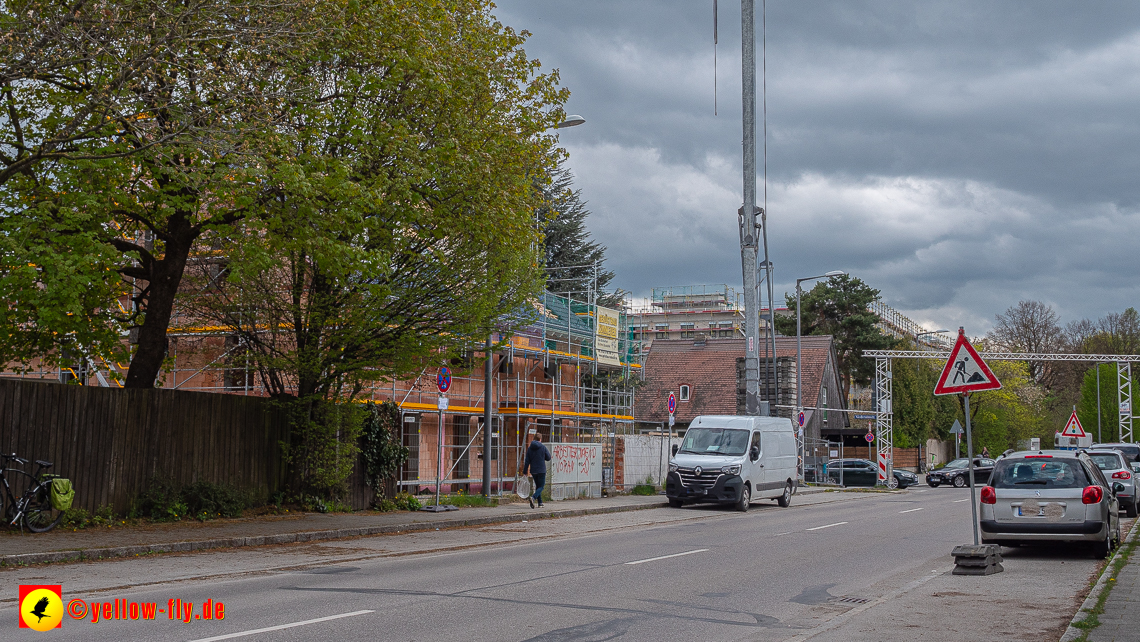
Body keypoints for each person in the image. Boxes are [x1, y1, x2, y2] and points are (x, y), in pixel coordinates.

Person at [522, 431, 551, 508]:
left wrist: (525, 471)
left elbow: (527, 461)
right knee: (541, 486)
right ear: (540, 439)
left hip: (533, 470)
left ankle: (540, 503)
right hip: (541, 470)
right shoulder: (543, 447)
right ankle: (533, 497)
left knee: (538, 486)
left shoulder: (530, 448)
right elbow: (548, 458)